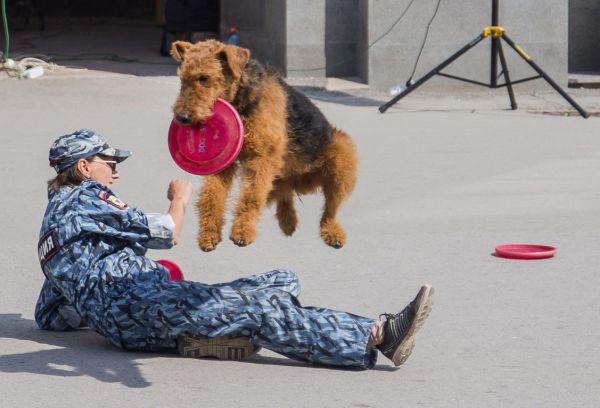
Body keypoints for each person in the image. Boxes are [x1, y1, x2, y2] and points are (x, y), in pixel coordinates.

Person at [35, 129, 434, 369]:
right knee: (259, 309)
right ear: (85, 167)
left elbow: (50, 315)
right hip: (140, 305)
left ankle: (201, 338)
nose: (115, 169)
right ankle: (377, 336)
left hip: (136, 311)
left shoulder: (54, 227)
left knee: (280, 281)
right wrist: (180, 197)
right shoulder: (87, 197)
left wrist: (99, 312)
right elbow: (167, 232)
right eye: (108, 161)